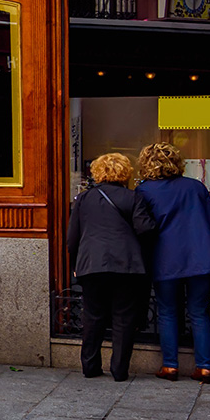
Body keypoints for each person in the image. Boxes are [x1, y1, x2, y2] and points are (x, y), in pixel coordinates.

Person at [138, 142, 210, 383]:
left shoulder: (144, 191)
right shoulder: (195, 187)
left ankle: (170, 366)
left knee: (168, 312)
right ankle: (204, 367)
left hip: (165, 258)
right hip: (201, 257)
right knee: (199, 312)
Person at [66, 153, 157, 382]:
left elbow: (72, 238)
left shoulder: (83, 200)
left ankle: (90, 366)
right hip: (126, 265)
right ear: (125, 172)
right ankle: (119, 370)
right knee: (123, 317)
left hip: (91, 265)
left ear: (98, 172)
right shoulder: (133, 198)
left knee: (93, 316)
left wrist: (76, 264)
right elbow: (145, 229)